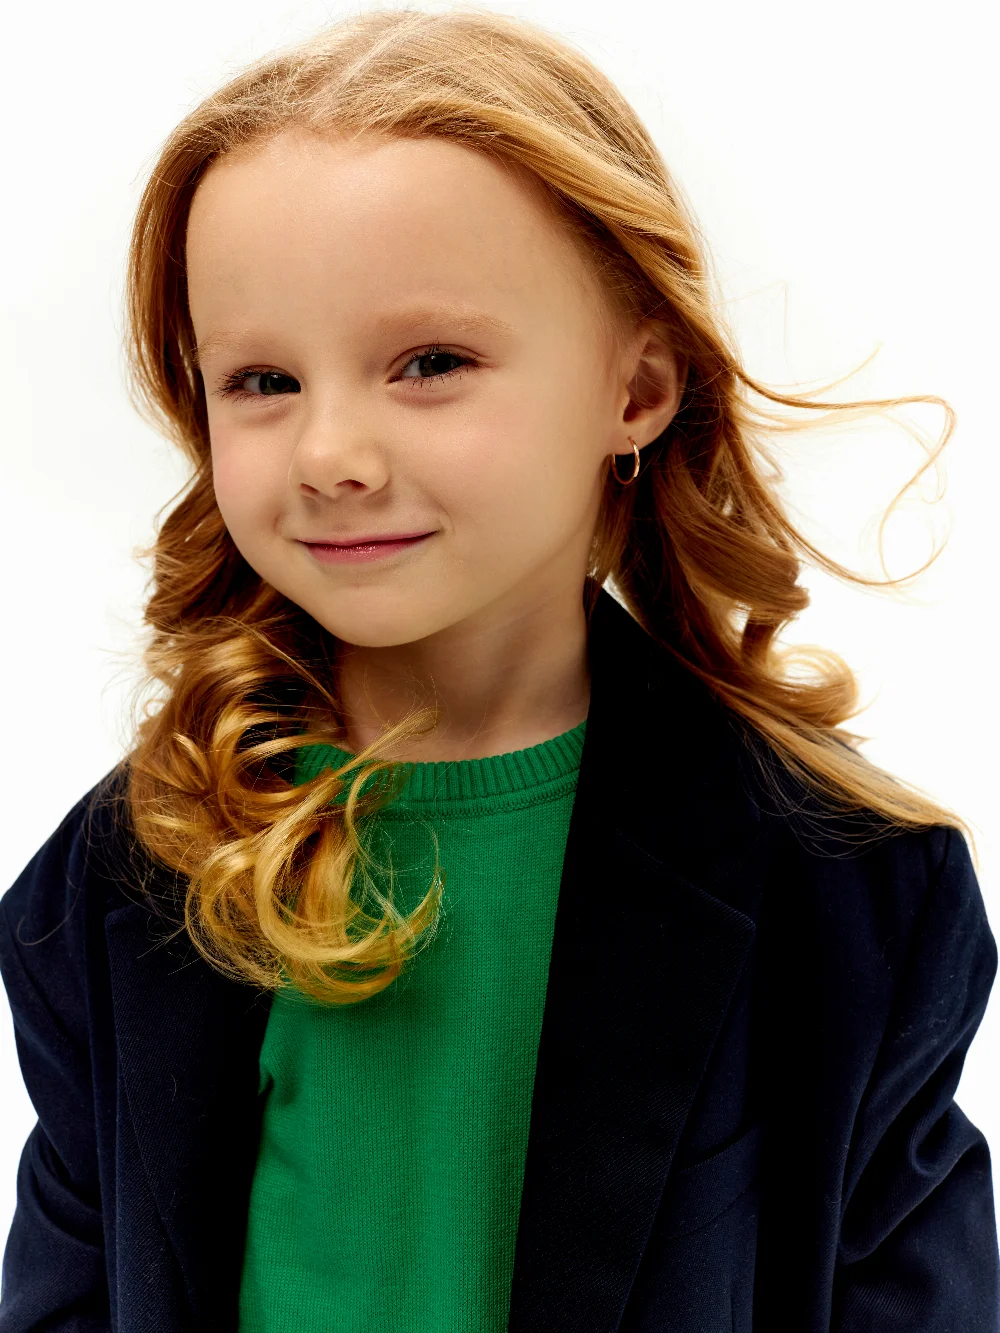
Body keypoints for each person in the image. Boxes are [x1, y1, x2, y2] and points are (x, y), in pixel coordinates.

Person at [0, 7, 996, 1331]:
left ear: (636, 390)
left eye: (431, 364)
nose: (328, 454)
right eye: (261, 380)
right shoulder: (112, 878)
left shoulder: (855, 894)